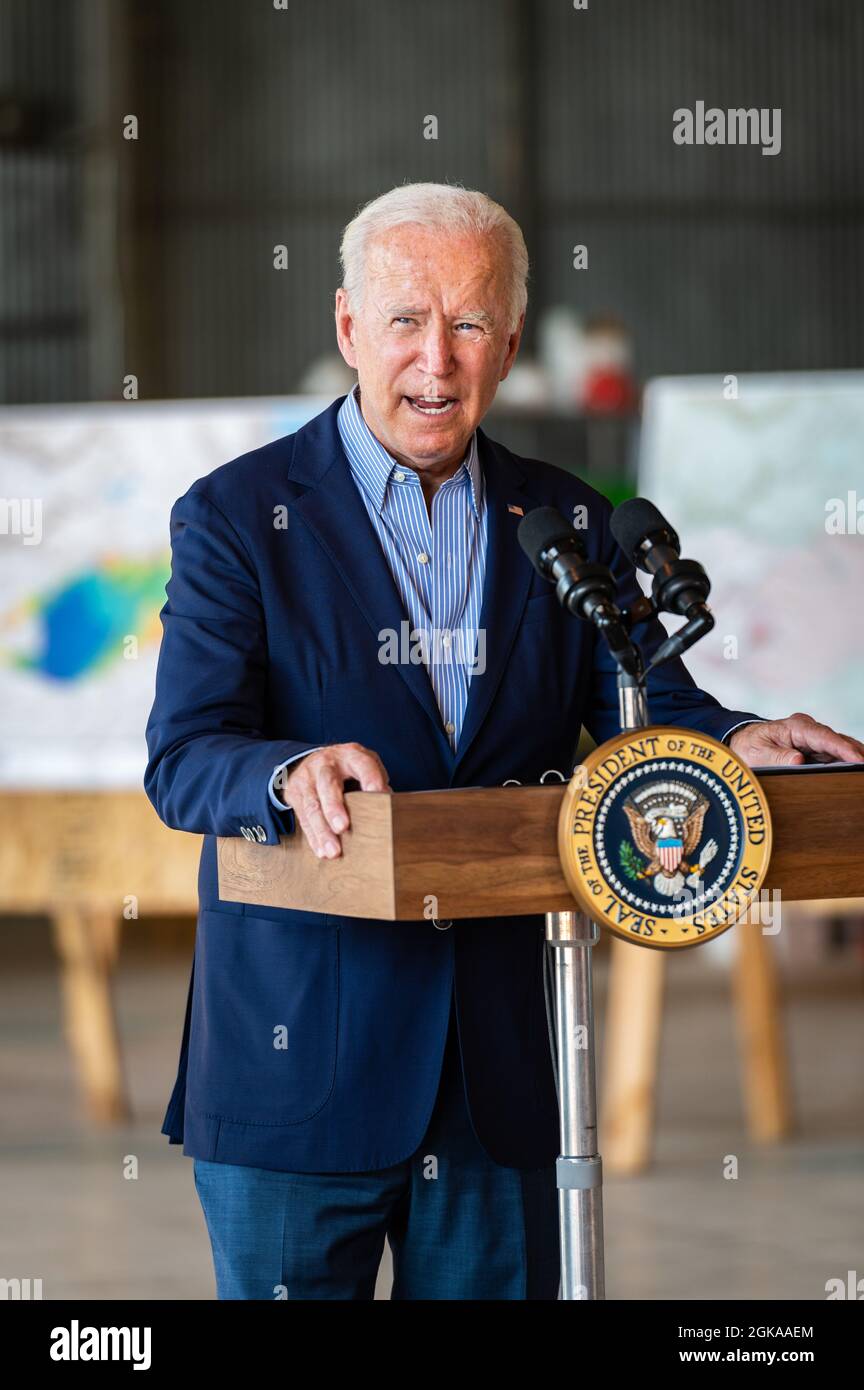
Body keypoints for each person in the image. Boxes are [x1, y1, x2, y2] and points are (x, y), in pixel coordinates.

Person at [144, 182, 864, 1301]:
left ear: (513, 344)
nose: (438, 359)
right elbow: (185, 754)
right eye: (406, 321)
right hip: (298, 1073)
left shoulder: (566, 519)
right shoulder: (240, 517)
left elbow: (644, 706)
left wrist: (739, 737)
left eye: (471, 324)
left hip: (501, 1078)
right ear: (346, 327)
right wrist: (289, 772)